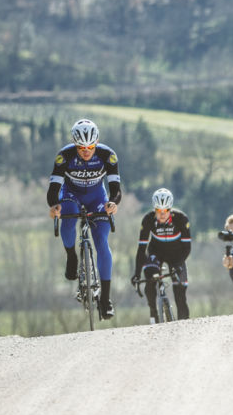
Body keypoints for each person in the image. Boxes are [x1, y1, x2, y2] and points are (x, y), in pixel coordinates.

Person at [47, 118, 121, 319]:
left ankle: (105, 299)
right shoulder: (64, 156)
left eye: (90, 147)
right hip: (71, 195)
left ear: (97, 142)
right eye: (81, 148)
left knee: (102, 241)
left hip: (97, 198)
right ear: (75, 144)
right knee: (68, 219)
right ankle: (71, 256)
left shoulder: (108, 156)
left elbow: (115, 190)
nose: (86, 151)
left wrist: (113, 203)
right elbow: (53, 190)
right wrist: (54, 206)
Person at [130, 188, 193, 321]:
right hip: (156, 252)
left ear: (170, 208)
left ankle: (184, 325)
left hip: (177, 255)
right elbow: (141, 249)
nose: (162, 214)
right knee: (150, 279)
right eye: (159, 210)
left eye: (166, 210)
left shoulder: (181, 219)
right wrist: (137, 273)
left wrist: (179, 265)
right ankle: (153, 313)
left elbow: (187, 248)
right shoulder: (148, 219)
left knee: (180, 294)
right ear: (154, 209)